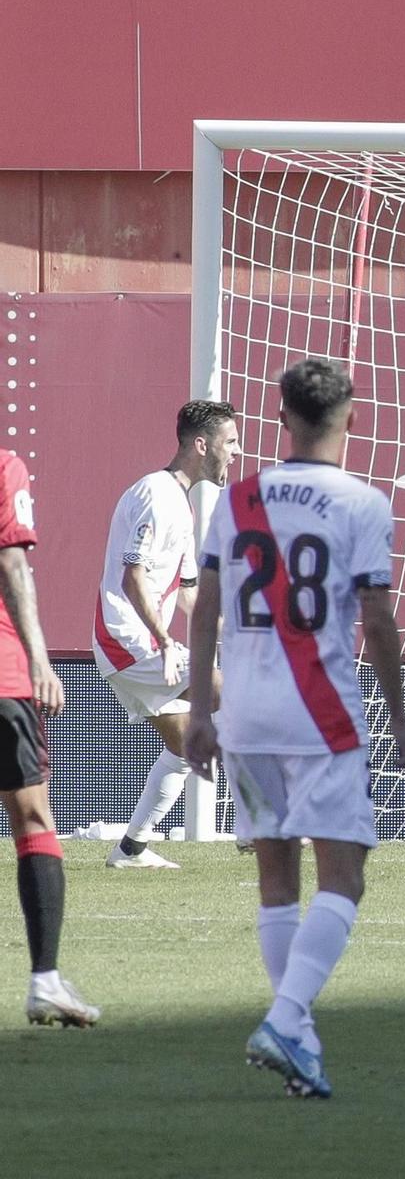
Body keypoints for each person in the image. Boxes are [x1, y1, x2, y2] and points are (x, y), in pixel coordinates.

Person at [184, 358, 405, 1099]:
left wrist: (199, 710)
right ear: (350, 418)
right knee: (344, 877)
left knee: (276, 878)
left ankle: (302, 1043)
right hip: (321, 714)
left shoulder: (240, 495)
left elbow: (206, 606)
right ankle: (287, 1018)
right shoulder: (361, 502)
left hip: (246, 717)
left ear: (280, 417)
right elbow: (377, 623)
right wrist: (402, 719)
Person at [95, 399, 240, 870]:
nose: (235, 453)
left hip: (135, 643)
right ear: (202, 444)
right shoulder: (157, 495)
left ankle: (130, 849)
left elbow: (189, 596)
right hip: (129, 640)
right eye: (230, 442)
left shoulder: (180, 503)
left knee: (184, 748)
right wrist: (163, 639)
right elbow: (132, 575)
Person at [0, 447, 98, 1027]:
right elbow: (11, 563)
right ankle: (46, 981)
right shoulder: (5, 464)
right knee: (31, 818)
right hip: (3, 678)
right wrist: (40, 656)